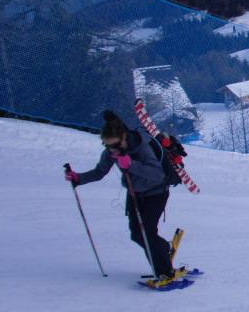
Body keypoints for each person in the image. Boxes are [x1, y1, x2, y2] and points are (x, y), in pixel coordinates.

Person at [64, 110, 177, 282]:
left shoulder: (142, 147)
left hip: (157, 193)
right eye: (108, 146)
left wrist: (131, 165)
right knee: (136, 235)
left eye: (115, 145)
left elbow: (157, 174)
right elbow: (100, 171)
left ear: (124, 138)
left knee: (147, 233)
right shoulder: (112, 151)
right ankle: (163, 249)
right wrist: (79, 178)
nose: (112, 150)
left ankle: (165, 271)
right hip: (135, 194)